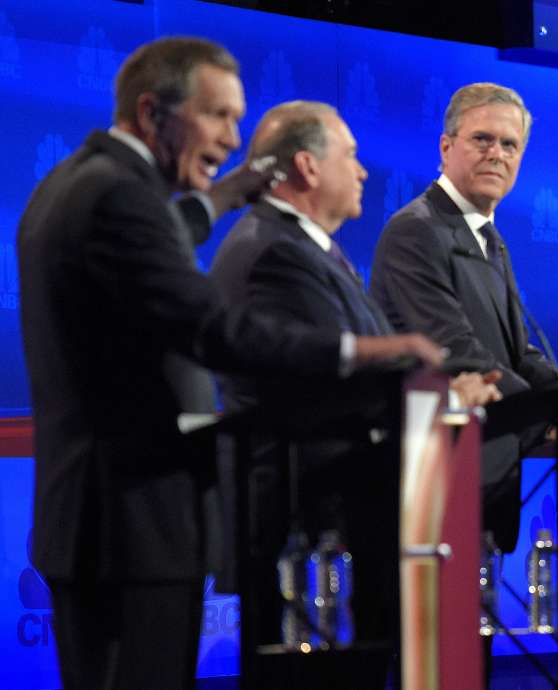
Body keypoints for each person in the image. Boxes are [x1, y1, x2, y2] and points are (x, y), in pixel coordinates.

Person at [17, 37, 440, 690]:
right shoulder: (119, 198)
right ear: (154, 112)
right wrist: (365, 350)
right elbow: (215, 331)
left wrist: (228, 194)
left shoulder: (74, 183)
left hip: (98, 520)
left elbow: (165, 234)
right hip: (134, 522)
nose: (233, 136)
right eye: (218, 116)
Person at [209, 100, 500, 661]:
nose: (364, 171)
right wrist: (443, 394)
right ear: (308, 167)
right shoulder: (274, 251)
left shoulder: (308, 247)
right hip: (308, 538)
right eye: (351, 155)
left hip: (348, 523)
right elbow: (322, 387)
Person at [370, 82, 558, 554]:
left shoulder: (490, 238)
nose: (497, 154)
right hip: (438, 472)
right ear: (446, 146)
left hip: (490, 468)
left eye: (510, 145)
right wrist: (548, 415)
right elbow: (453, 348)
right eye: (483, 140)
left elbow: (520, 352)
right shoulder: (415, 231)